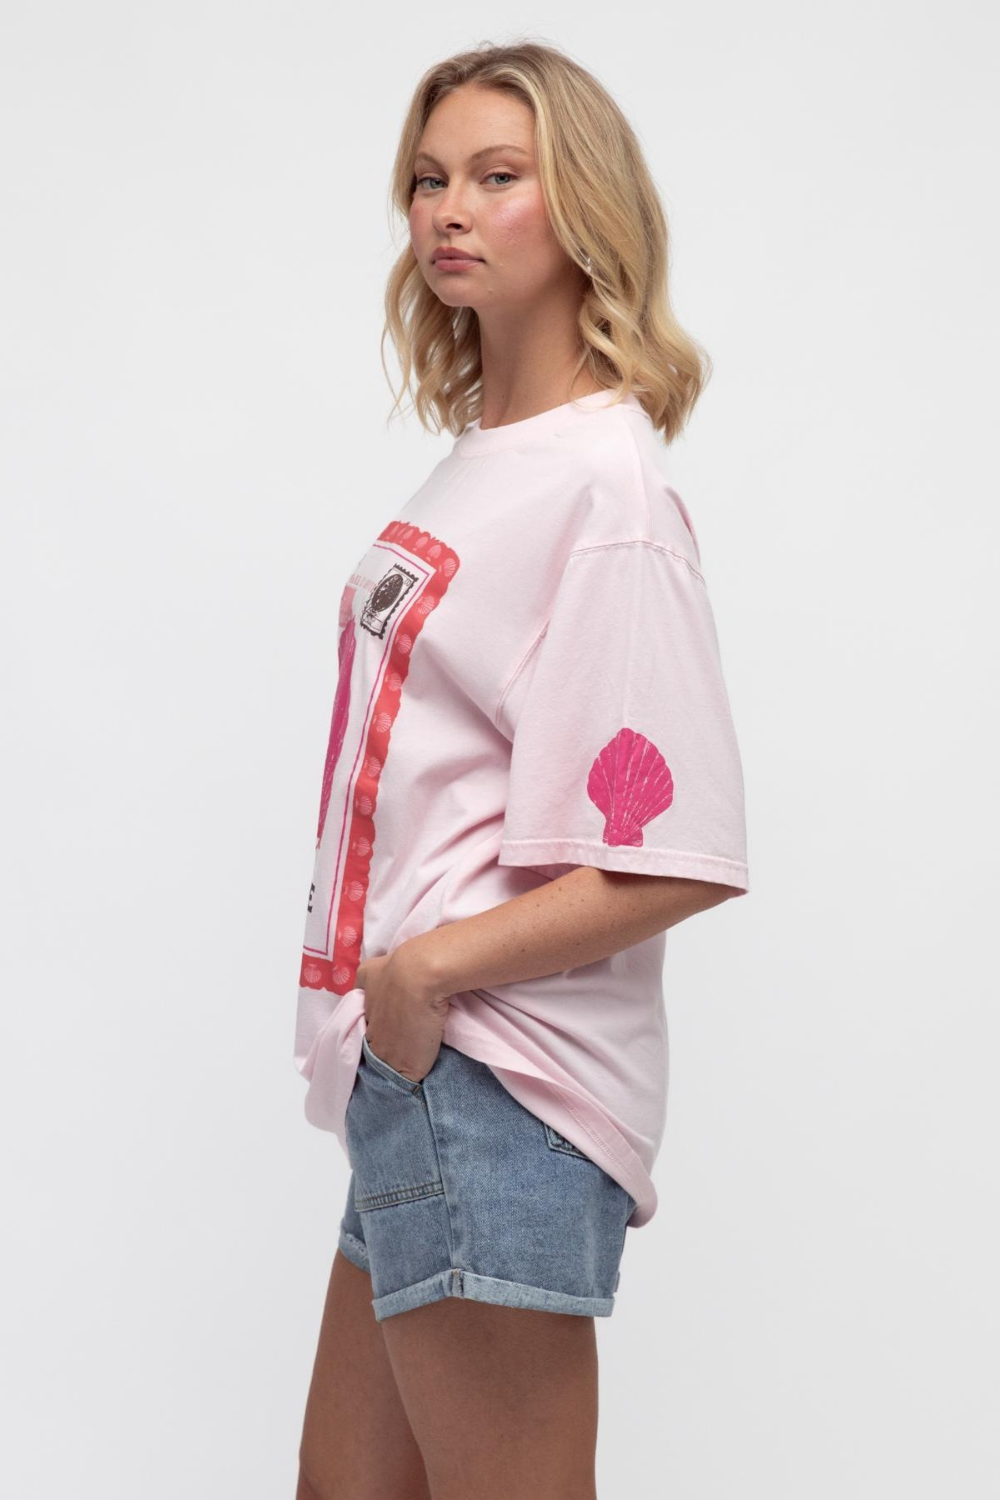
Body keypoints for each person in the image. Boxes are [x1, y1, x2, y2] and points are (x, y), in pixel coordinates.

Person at [294, 39, 750, 1500]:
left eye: (499, 177)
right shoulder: (484, 461)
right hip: (420, 1079)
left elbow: (669, 851)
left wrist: (424, 975)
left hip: (499, 1081)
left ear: (585, 212)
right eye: (430, 179)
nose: (449, 209)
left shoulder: (603, 491)